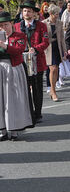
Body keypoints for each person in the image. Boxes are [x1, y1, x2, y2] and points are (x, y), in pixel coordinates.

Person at [15, 0, 49, 123]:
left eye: (29, 11)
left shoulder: (41, 25)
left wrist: (35, 49)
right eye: (24, 11)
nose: (27, 13)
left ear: (34, 13)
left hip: (37, 61)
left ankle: (38, 113)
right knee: (23, 88)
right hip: (21, 61)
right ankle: (27, 112)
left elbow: (45, 42)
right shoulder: (17, 26)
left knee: (37, 89)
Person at [0, 12, 33, 141]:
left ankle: (14, 129)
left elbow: (18, 50)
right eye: (1, 26)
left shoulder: (19, 36)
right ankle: (2, 130)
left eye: (6, 25)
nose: (3, 28)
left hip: (13, 69)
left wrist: (4, 45)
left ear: (12, 24)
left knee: (13, 99)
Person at [43, 5, 67, 102]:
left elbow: (61, 37)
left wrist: (64, 50)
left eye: (58, 14)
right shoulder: (44, 23)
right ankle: (52, 91)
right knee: (52, 69)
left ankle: (53, 89)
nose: (57, 15)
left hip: (57, 47)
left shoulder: (60, 23)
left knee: (56, 69)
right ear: (50, 14)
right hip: (48, 48)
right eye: (55, 14)